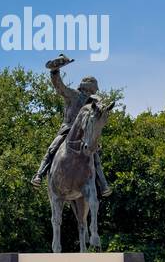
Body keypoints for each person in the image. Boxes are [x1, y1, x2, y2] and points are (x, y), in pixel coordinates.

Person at [31, 55, 112, 197]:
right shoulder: (73, 95)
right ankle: (39, 174)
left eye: (92, 91)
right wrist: (55, 71)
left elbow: (100, 111)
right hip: (67, 130)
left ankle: (103, 184)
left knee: (95, 154)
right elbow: (59, 87)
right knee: (53, 147)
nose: (89, 93)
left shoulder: (93, 101)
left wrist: (104, 107)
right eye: (88, 90)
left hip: (85, 135)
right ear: (83, 87)